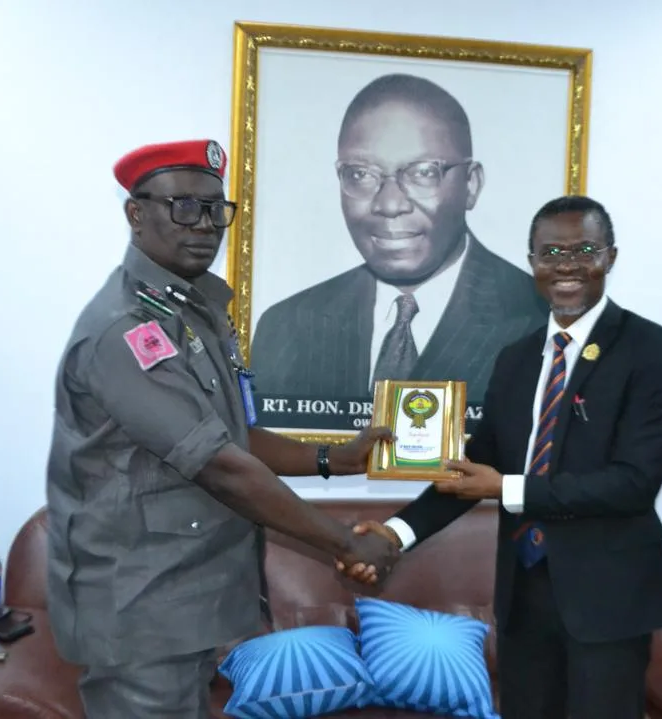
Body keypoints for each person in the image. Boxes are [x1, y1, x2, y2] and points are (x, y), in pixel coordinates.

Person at [44, 139, 400, 719]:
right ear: (137, 213)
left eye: (216, 209)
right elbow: (220, 466)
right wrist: (345, 542)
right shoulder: (127, 330)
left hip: (185, 596)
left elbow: (234, 434)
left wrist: (337, 457)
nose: (205, 224)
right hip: (141, 608)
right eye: (184, 207)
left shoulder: (193, 311)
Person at [339, 195, 662, 719]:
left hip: (608, 599)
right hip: (525, 596)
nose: (566, 265)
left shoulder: (652, 350)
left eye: (584, 249)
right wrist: (395, 533)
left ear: (610, 257)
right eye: (550, 253)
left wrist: (505, 488)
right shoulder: (517, 358)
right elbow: (474, 468)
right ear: (532, 264)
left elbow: (632, 483)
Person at [250, 73, 549, 404]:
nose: (390, 204)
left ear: (471, 185)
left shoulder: (539, 320)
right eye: (360, 175)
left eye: (423, 172)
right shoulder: (287, 327)